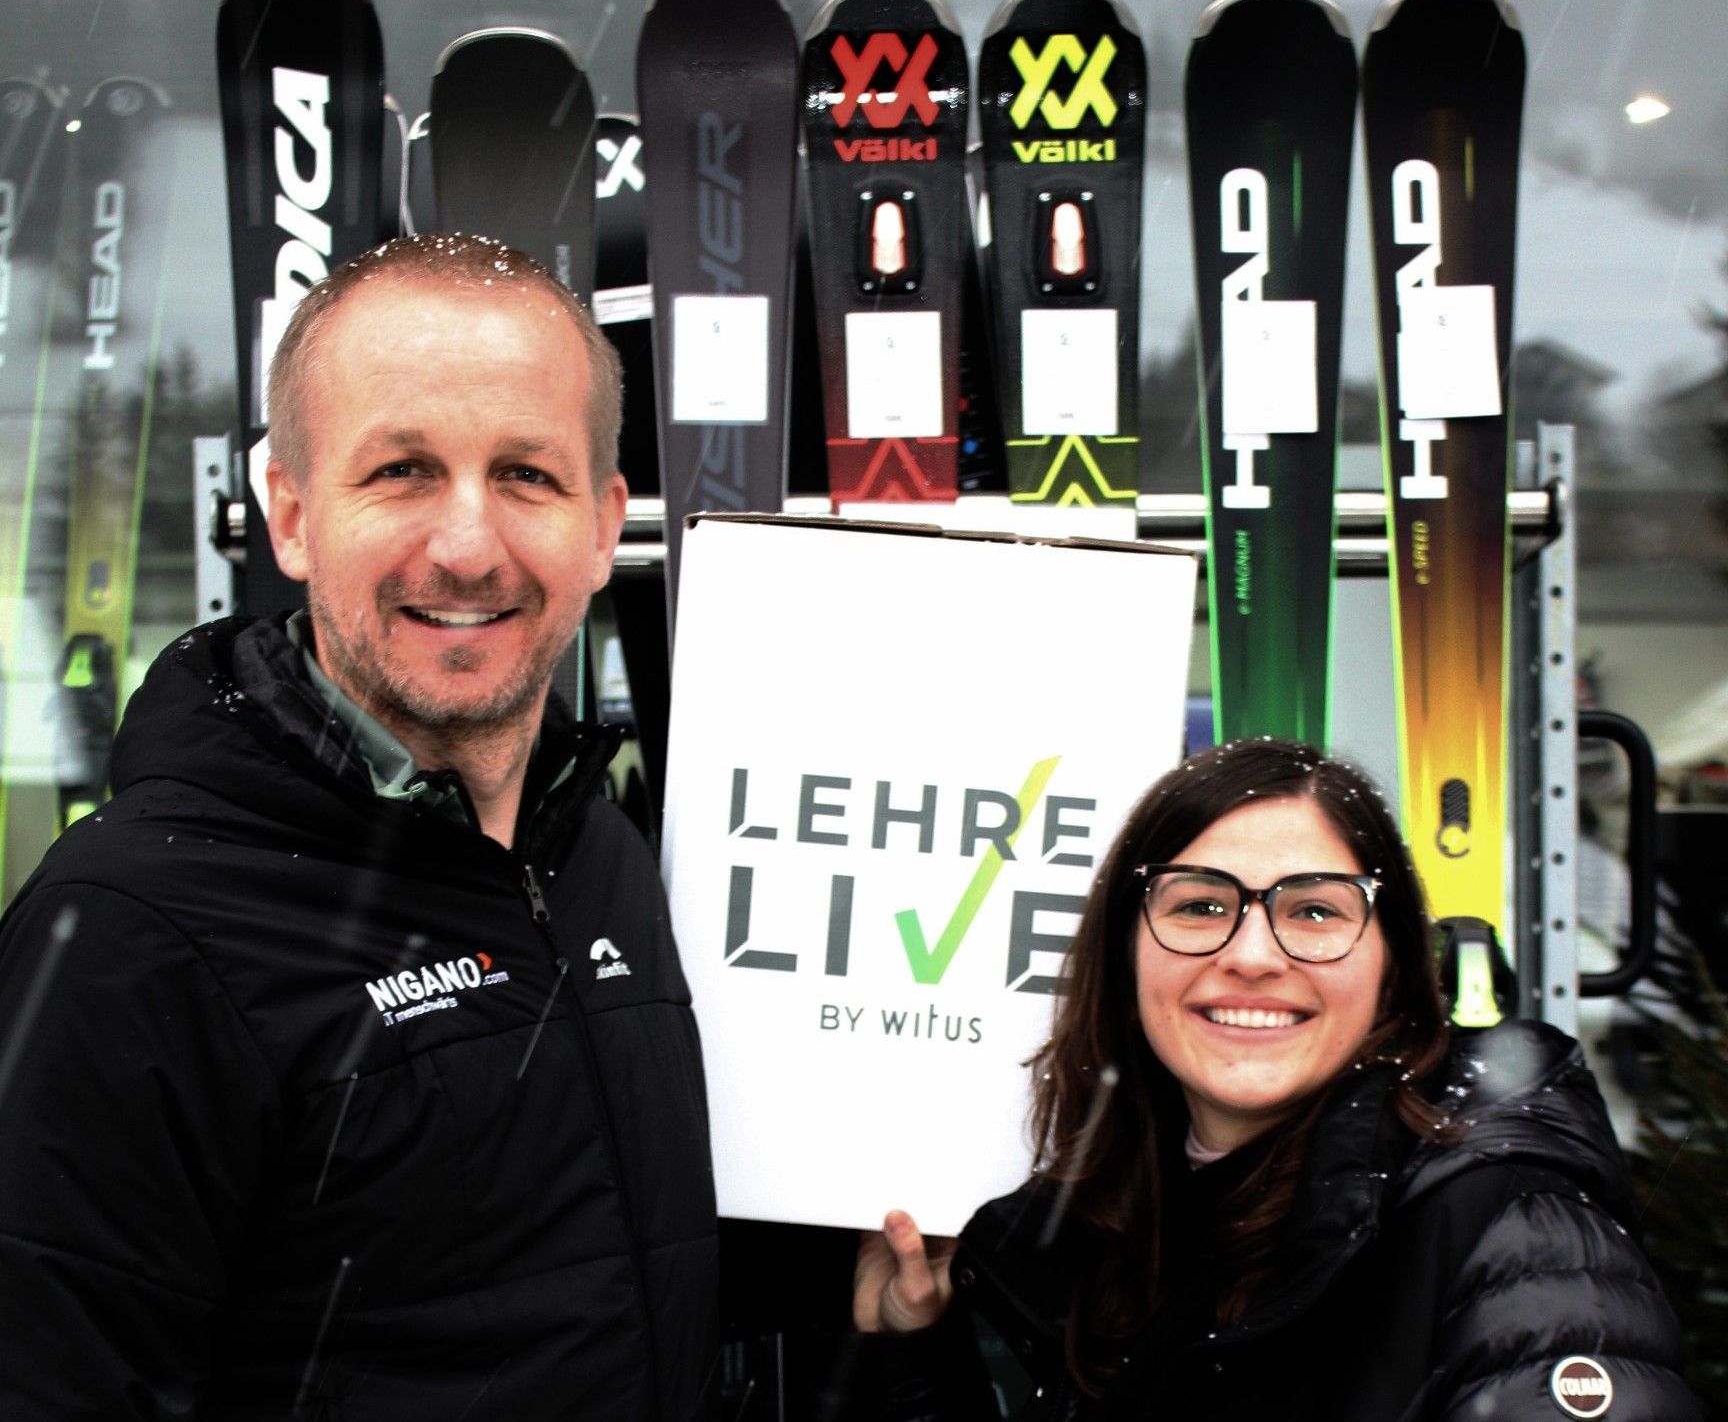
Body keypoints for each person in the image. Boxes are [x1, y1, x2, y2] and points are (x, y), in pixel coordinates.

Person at [0, 234, 718, 1418]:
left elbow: (588, 1280)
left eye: (527, 476)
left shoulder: (599, 850)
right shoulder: (133, 930)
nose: (469, 545)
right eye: (402, 472)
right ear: (288, 514)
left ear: (603, 527)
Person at [853, 739, 1699, 1419]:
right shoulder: (1124, 1224)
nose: (1251, 955)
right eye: (1199, 906)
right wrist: (914, 1354)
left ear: (1394, 964)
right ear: (1125, 954)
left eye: (1315, 910)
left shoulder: (1507, 1224)